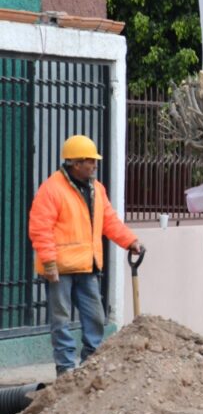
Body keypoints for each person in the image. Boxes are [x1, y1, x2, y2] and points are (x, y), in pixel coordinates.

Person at [29, 135, 145, 375]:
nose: (94, 165)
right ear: (75, 163)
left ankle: (91, 366)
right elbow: (40, 228)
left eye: (94, 161)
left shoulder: (96, 189)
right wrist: (49, 262)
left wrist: (130, 241)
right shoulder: (52, 189)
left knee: (95, 318)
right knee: (61, 321)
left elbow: (109, 221)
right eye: (90, 161)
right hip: (59, 269)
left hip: (87, 266)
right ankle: (65, 369)